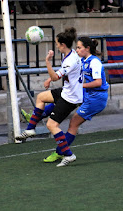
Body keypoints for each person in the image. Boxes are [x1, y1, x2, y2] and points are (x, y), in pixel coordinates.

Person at [22, 37, 109, 165]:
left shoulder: (94, 62)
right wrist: (50, 79)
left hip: (96, 98)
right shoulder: (81, 59)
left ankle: (60, 151)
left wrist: (79, 86)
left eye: (79, 47)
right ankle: (36, 118)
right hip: (86, 93)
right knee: (61, 99)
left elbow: (98, 82)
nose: (77, 50)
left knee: (73, 123)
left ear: (87, 48)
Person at [15, 27, 83, 167]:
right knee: (41, 97)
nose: (56, 46)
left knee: (51, 125)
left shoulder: (70, 60)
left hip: (70, 98)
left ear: (63, 45)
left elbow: (55, 76)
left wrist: (47, 61)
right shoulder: (70, 54)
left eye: (57, 43)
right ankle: (30, 129)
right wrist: (49, 80)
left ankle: (69, 155)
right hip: (67, 91)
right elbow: (61, 76)